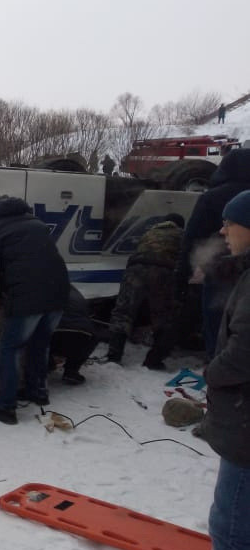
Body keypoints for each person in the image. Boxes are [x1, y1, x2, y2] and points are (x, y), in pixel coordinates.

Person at [136, 190, 250, 550]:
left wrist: (213, 372)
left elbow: (244, 350)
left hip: (245, 429)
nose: (222, 230)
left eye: (230, 222)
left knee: (233, 532)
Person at [0, 186, 69, 425]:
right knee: (40, 343)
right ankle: (38, 392)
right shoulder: (34, 221)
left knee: (10, 348)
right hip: (58, 293)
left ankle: (6, 406)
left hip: (27, 297)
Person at [175, 149, 250, 359]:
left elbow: (192, 237)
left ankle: (218, 368)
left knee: (217, 323)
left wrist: (182, 275)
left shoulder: (212, 197)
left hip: (219, 271)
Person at [107, 213, 185, 369]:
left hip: (135, 270)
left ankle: (113, 357)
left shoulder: (149, 232)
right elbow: (185, 258)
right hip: (162, 272)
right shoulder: (181, 234)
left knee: (123, 312)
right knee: (162, 315)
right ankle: (154, 360)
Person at [49, 286, 98, 385]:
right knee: (90, 339)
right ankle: (71, 371)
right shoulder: (75, 291)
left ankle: (47, 363)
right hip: (83, 334)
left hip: (54, 331)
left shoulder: (43, 290)